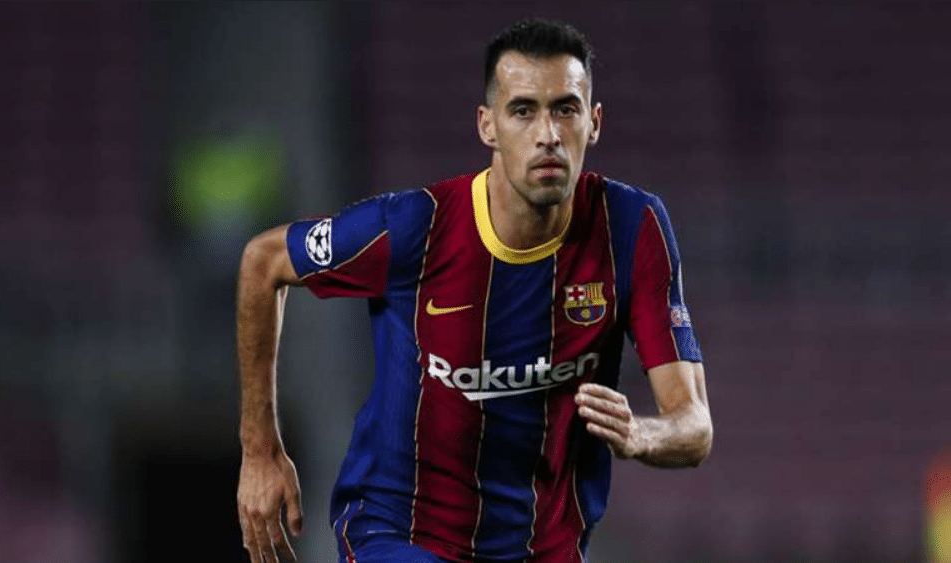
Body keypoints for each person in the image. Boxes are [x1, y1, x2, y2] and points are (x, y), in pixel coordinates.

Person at [235, 18, 713, 563]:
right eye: (523, 111)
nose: (548, 134)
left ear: (594, 122)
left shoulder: (631, 228)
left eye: (565, 109)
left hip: (543, 548)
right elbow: (263, 261)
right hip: (400, 533)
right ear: (488, 126)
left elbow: (694, 428)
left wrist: (641, 435)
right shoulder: (416, 227)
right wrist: (259, 449)